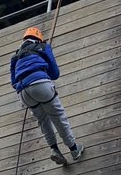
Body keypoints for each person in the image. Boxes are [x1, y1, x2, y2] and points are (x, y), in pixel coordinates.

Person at [10, 26, 85, 166]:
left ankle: (54, 149)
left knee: (43, 120)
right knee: (57, 115)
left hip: (23, 92)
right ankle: (74, 149)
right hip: (40, 84)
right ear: (39, 39)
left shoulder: (15, 56)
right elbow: (55, 73)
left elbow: (13, 82)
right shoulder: (43, 47)